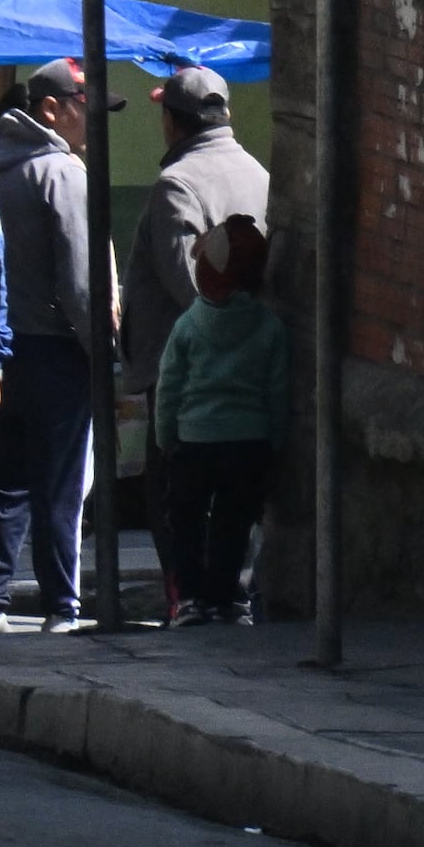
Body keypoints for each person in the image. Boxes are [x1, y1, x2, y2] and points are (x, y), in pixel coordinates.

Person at [0, 57, 103, 625]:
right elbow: (80, 278)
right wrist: (102, 344)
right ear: (52, 108)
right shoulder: (63, 174)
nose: (91, 120)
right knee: (61, 486)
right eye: (85, 107)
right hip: (56, 344)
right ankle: (61, 606)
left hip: (1, 346)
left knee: (7, 480)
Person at [150, 216, 284, 623]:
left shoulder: (189, 324)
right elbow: (277, 390)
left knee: (186, 522)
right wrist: (274, 441)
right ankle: (224, 597)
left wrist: (165, 434)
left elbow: (169, 384)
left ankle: (190, 598)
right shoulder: (270, 327)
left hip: (193, 441)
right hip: (249, 442)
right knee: (233, 524)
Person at [136, 65, 271, 353]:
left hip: (193, 367)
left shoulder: (176, 186)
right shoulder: (260, 174)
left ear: (169, 121)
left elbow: (191, 291)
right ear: (227, 116)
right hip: (252, 354)